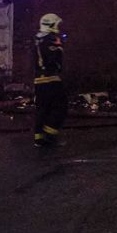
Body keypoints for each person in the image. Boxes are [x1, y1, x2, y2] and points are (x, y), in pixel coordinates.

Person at [32, 13, 66, 148]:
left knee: (42, 109)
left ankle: (38, 138)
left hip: (38, 80)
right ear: (51, 25)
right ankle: (49, 135)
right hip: (51, 79)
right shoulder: (51, 40)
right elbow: (55, 60)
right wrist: (59, 50)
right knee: (60, 107)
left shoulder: (36, 40)